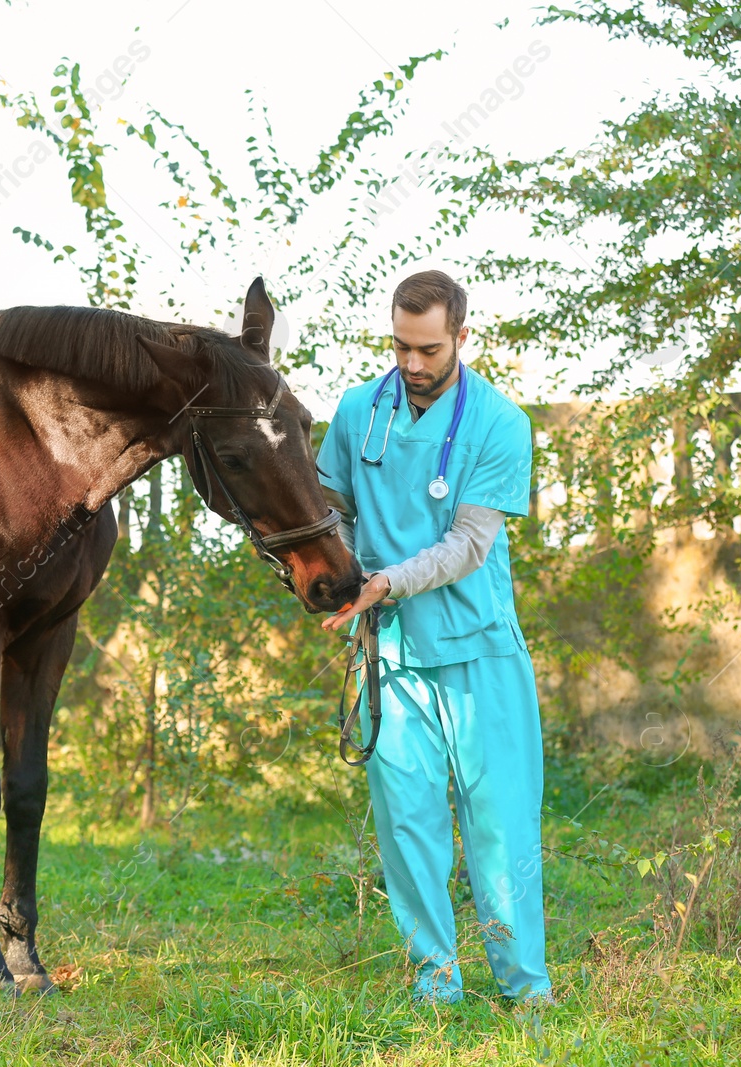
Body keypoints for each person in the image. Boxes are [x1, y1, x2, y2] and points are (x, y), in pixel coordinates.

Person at [315, 269, 551, 1005]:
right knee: (409, 823)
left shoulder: (500, 423)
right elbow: (330, 509)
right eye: (400, 346)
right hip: (390, 654)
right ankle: (435, 980)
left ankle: (525, 985)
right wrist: (339, 573)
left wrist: (385, 580)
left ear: (461, 337)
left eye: (428, 348)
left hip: (479, 646)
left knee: (500, 825)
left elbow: (469, 543)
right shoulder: (358, 411)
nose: (412, 364)